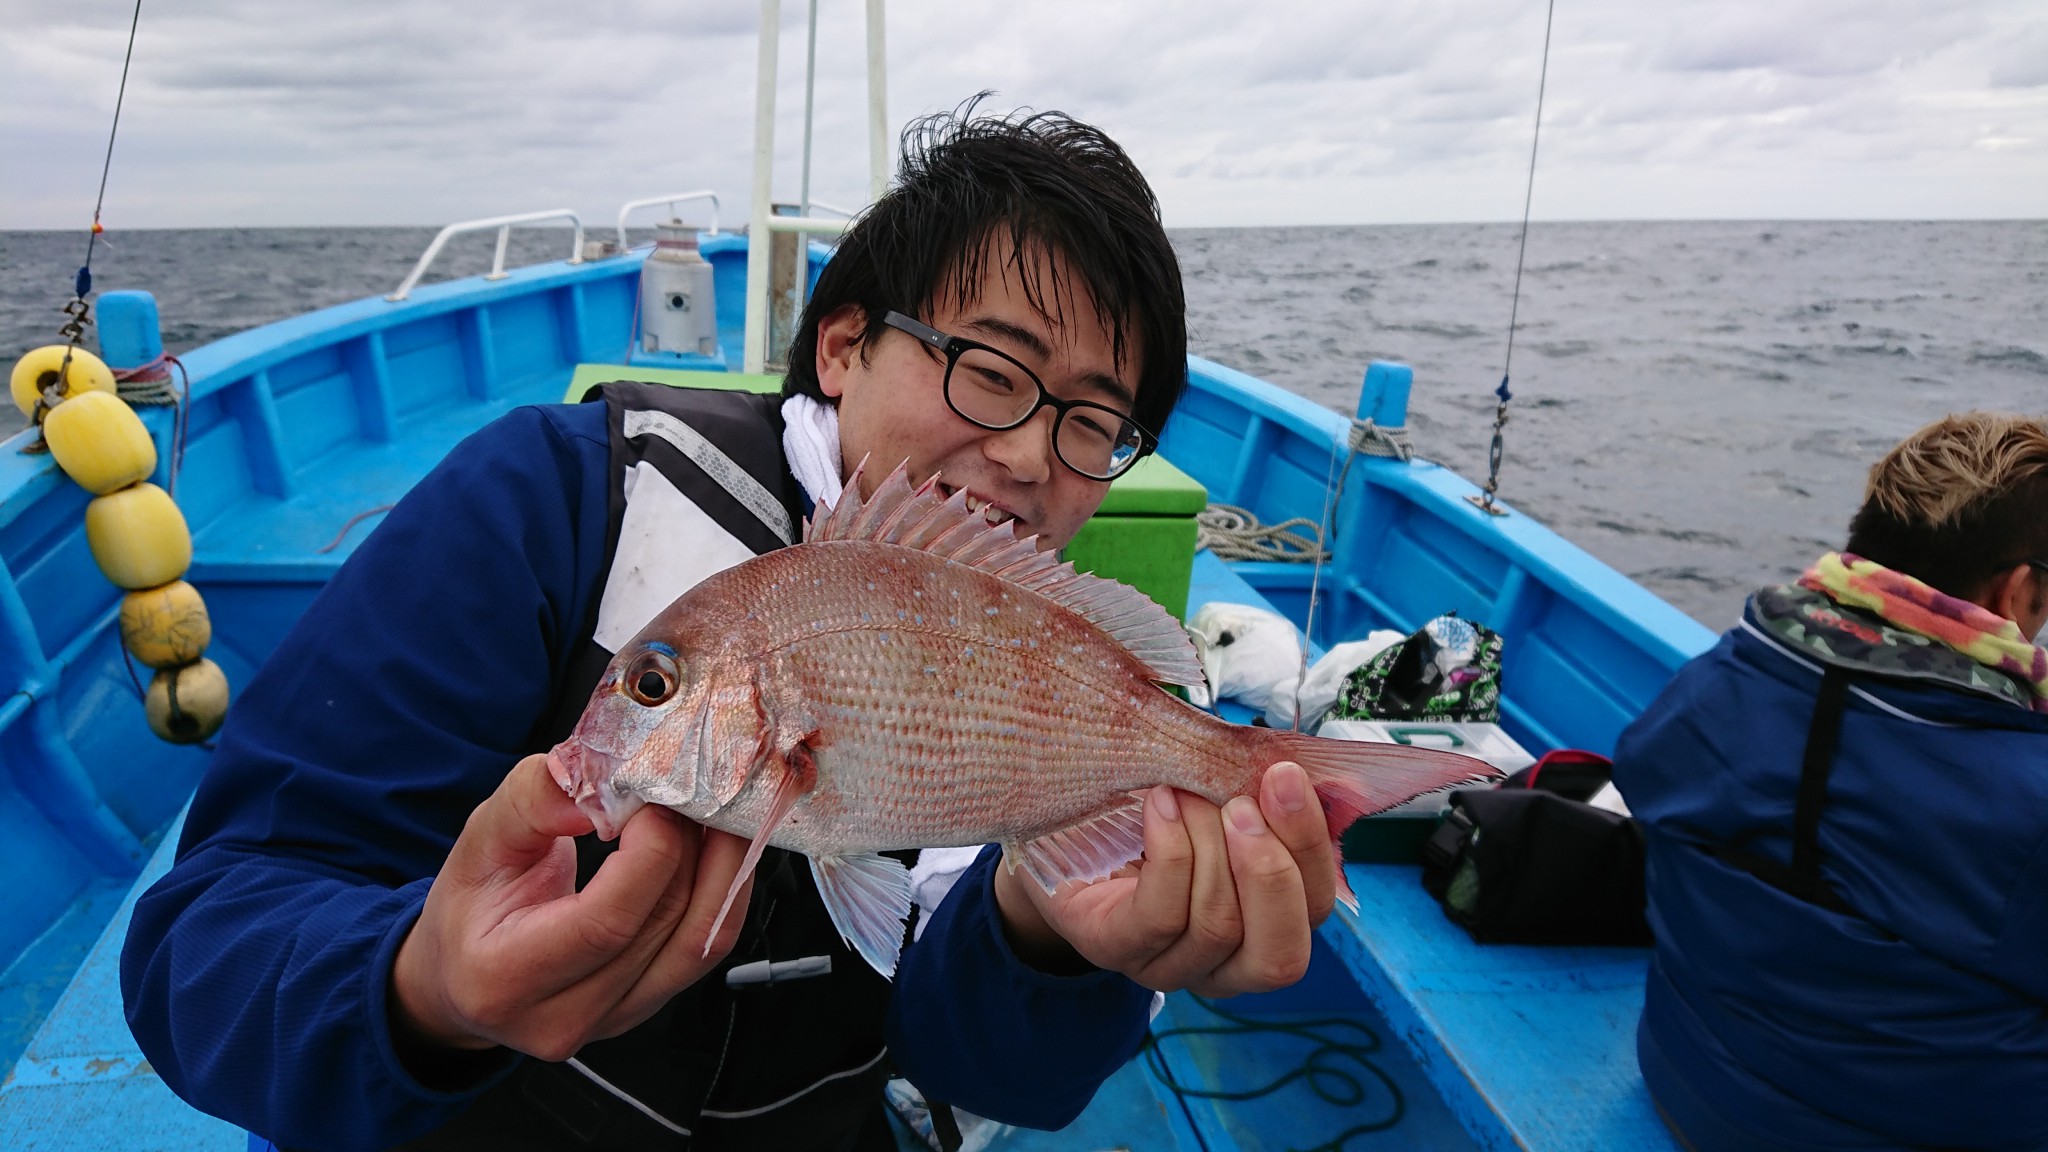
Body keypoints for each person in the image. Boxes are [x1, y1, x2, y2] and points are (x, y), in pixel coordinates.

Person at [121, 105, 1347, 1152]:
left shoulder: (1036, 645)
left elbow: (977, 1068)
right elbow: (207, 940)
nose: (1030, 454)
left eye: (1092, 423)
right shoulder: (551, 501)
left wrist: (1049, 943)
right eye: (989, 369)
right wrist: (424, 989)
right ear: (842, 344)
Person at [1613, 412, 2048, 1152]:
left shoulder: (1714, 683)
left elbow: (1643, 776)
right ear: (2015, 592)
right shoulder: (2025, 799)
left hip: (1687, 1083)